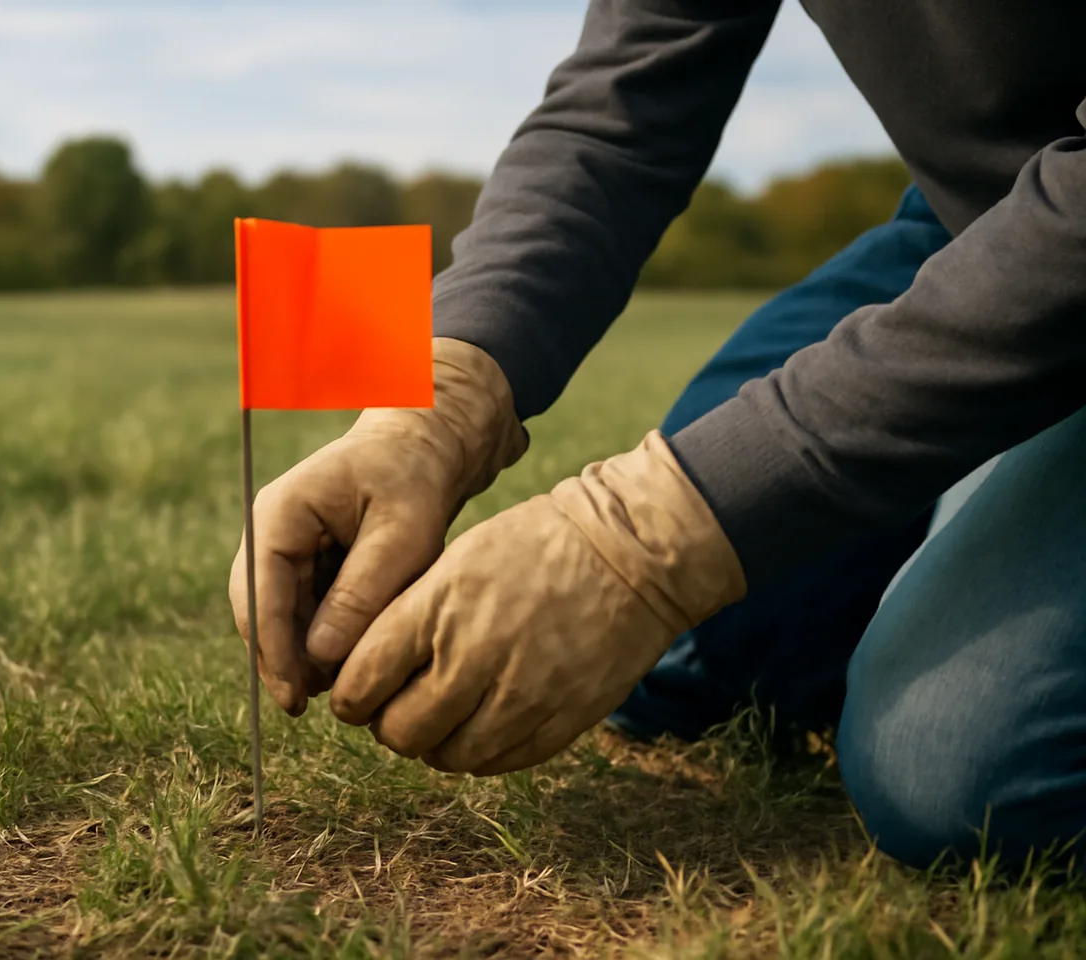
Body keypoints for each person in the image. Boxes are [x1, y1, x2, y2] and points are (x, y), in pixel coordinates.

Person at [228, 0, 1086, 871]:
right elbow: (618, 111)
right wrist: (436, 404)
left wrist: (652, 534)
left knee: (973, 773)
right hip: (980, 210)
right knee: (683, 660)